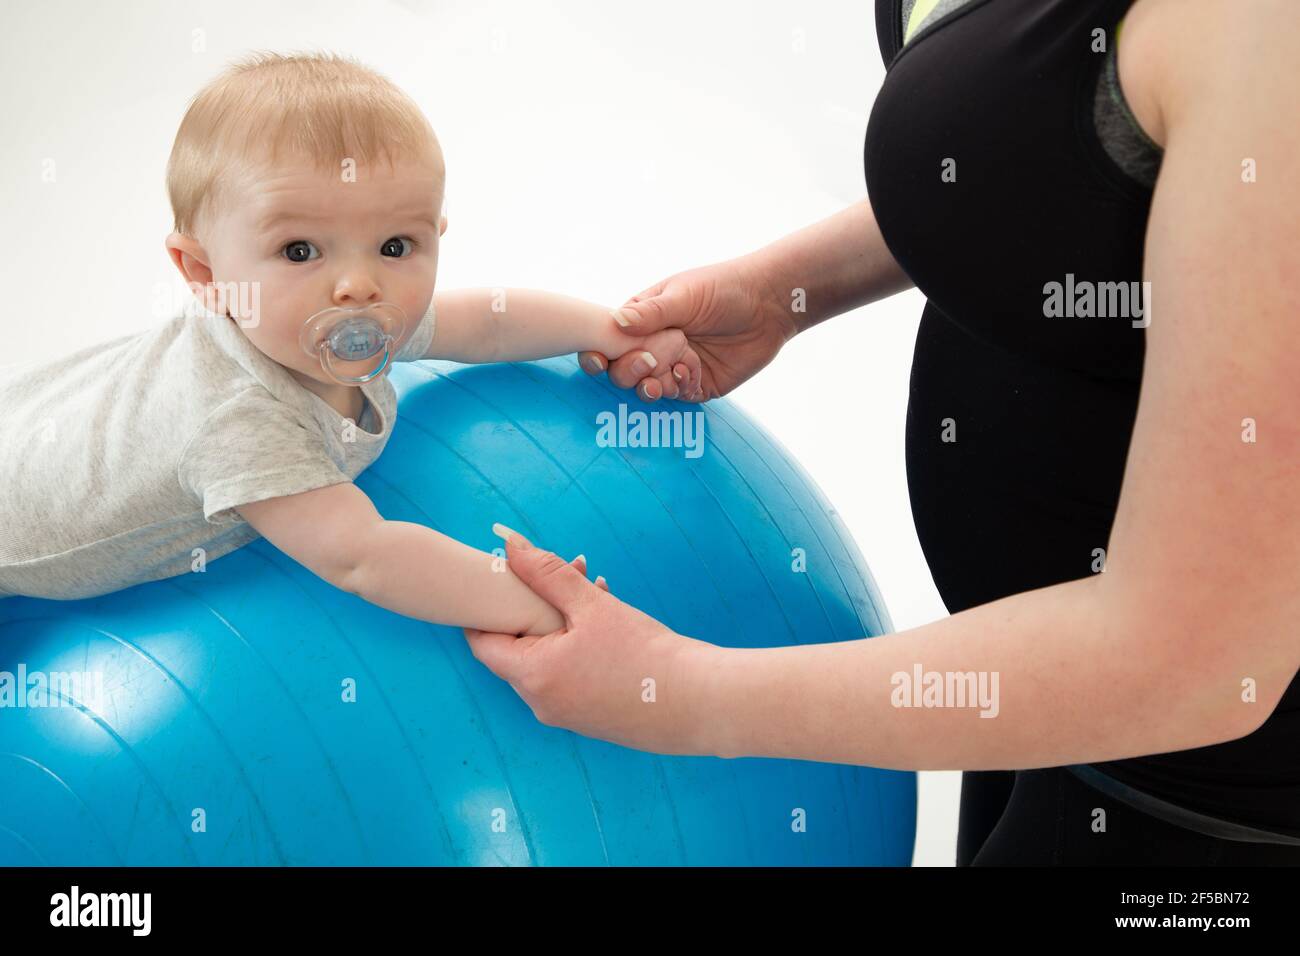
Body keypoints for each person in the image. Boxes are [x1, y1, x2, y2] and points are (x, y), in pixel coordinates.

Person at [465, 0, 1300, 865]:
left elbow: (1199, 663)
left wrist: (681, 693)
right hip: (1034, 706)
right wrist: (784, 291)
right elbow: (1057, 149)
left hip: (1207, 803)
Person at [0, 50, 701, 636]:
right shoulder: (238, 418)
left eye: (396, 245)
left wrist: (612, 329)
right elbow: (364, 557)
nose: (358, 285)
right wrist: (548, 610)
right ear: (205, 273)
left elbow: (485, 320)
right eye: (300, 249)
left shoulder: (322, 318)